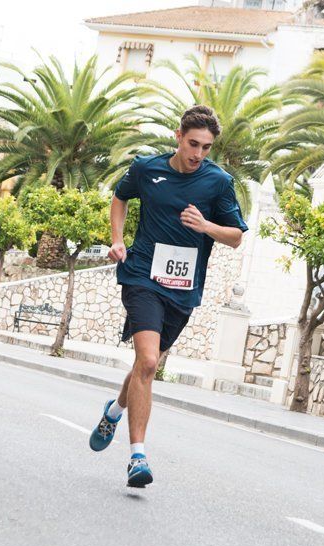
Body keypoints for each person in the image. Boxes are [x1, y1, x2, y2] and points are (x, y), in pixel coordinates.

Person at [87, 106, 249, 488]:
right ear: (178, 136)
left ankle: (113, 411)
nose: (198, 154)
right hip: (143, 275)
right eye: (193, 144)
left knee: (148, 365)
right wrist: (117, 240)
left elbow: (236, 236)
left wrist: (205, 225)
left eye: (206, 148)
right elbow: (120, 197)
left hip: (183, 288)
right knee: (146, 360)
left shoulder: (218, 182)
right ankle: (137, 457)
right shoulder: (147, 168)